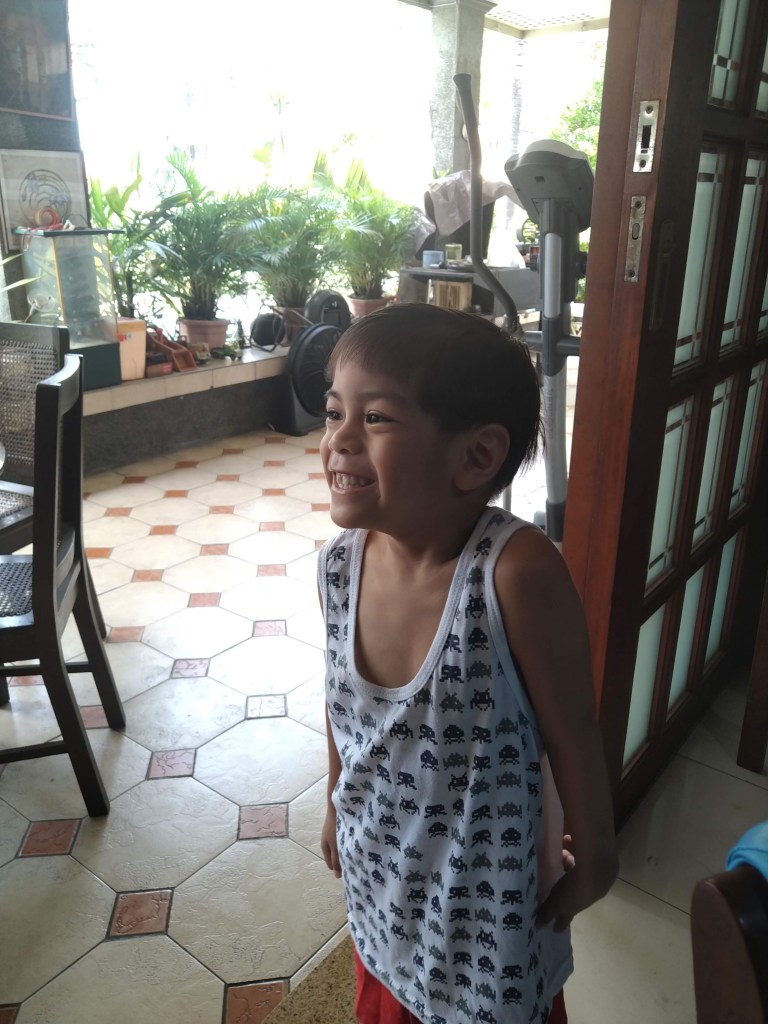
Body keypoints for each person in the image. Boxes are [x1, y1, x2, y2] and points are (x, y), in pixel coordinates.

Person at [318, 303, 618, 1024]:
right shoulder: (338, 566)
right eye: (333, 413)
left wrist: (598, 857)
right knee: (386, 993)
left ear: (477, 457)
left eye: (375, 418)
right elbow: (340, 706)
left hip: (485, 916)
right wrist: (333, 801)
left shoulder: (513, 575)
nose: (339, 441)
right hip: (380, 876)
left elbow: (574, 733)